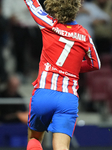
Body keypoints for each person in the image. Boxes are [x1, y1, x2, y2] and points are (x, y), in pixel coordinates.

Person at [24, 0, 101, 150]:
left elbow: (32, 3)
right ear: (76, 7)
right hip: (68, 98)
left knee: (34, 138)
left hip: (43, 94)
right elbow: (96, 64)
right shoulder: (84, 34)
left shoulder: (48, 23)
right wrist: (72, 68)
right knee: (61, 147)